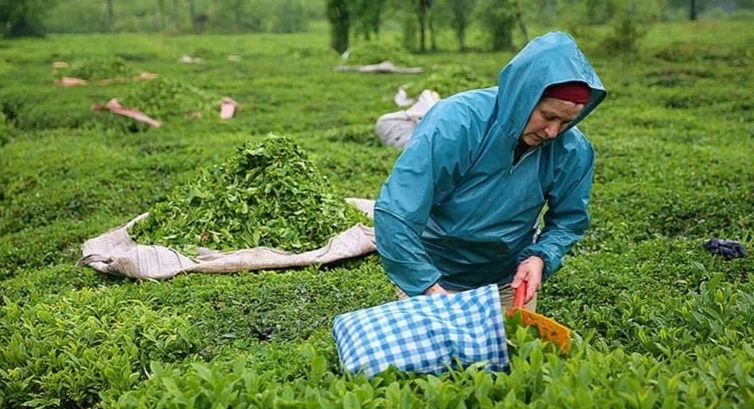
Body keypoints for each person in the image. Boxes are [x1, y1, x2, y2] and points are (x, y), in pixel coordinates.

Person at [373, 31, 607, 310]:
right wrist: (428, 288)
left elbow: (568, 221)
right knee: (436, 352)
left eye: (566, 122)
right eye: (548, 116)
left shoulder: (573, 150)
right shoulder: (456, 122)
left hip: (506, 281)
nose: (553, 131)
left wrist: (541, 257)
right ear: (525, 97)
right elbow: (396, 212)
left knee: (514, 351)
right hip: (431, 273)